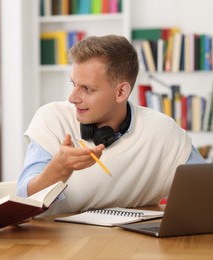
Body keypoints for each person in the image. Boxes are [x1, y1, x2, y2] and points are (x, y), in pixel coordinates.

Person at [17, 35, 205, 215]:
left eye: (87, 89)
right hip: (58, 242)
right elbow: (24, 202)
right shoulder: (52, 118)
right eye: (73, 84)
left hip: (135, 243)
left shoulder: (162, 130)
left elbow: (205, 189)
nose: (72, 98)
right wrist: (60, 168)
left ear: (121, 92)